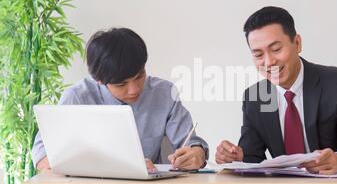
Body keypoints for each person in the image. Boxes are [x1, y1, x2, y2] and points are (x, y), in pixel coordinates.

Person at [216, 6, 337, 174]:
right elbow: (252, 159)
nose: (269, 62)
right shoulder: (256, 97)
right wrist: (237, 158)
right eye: (258, 55)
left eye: (276, 49)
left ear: (297, 43)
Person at [32, 28, 208, 172]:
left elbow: (191, 142)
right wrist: (113, 167)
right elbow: (43, 158)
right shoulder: (77, 97)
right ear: (99, 80)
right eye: (122, 84)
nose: (134, 89)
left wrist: (197, 154)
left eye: (140, 76)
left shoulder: (164, 93)